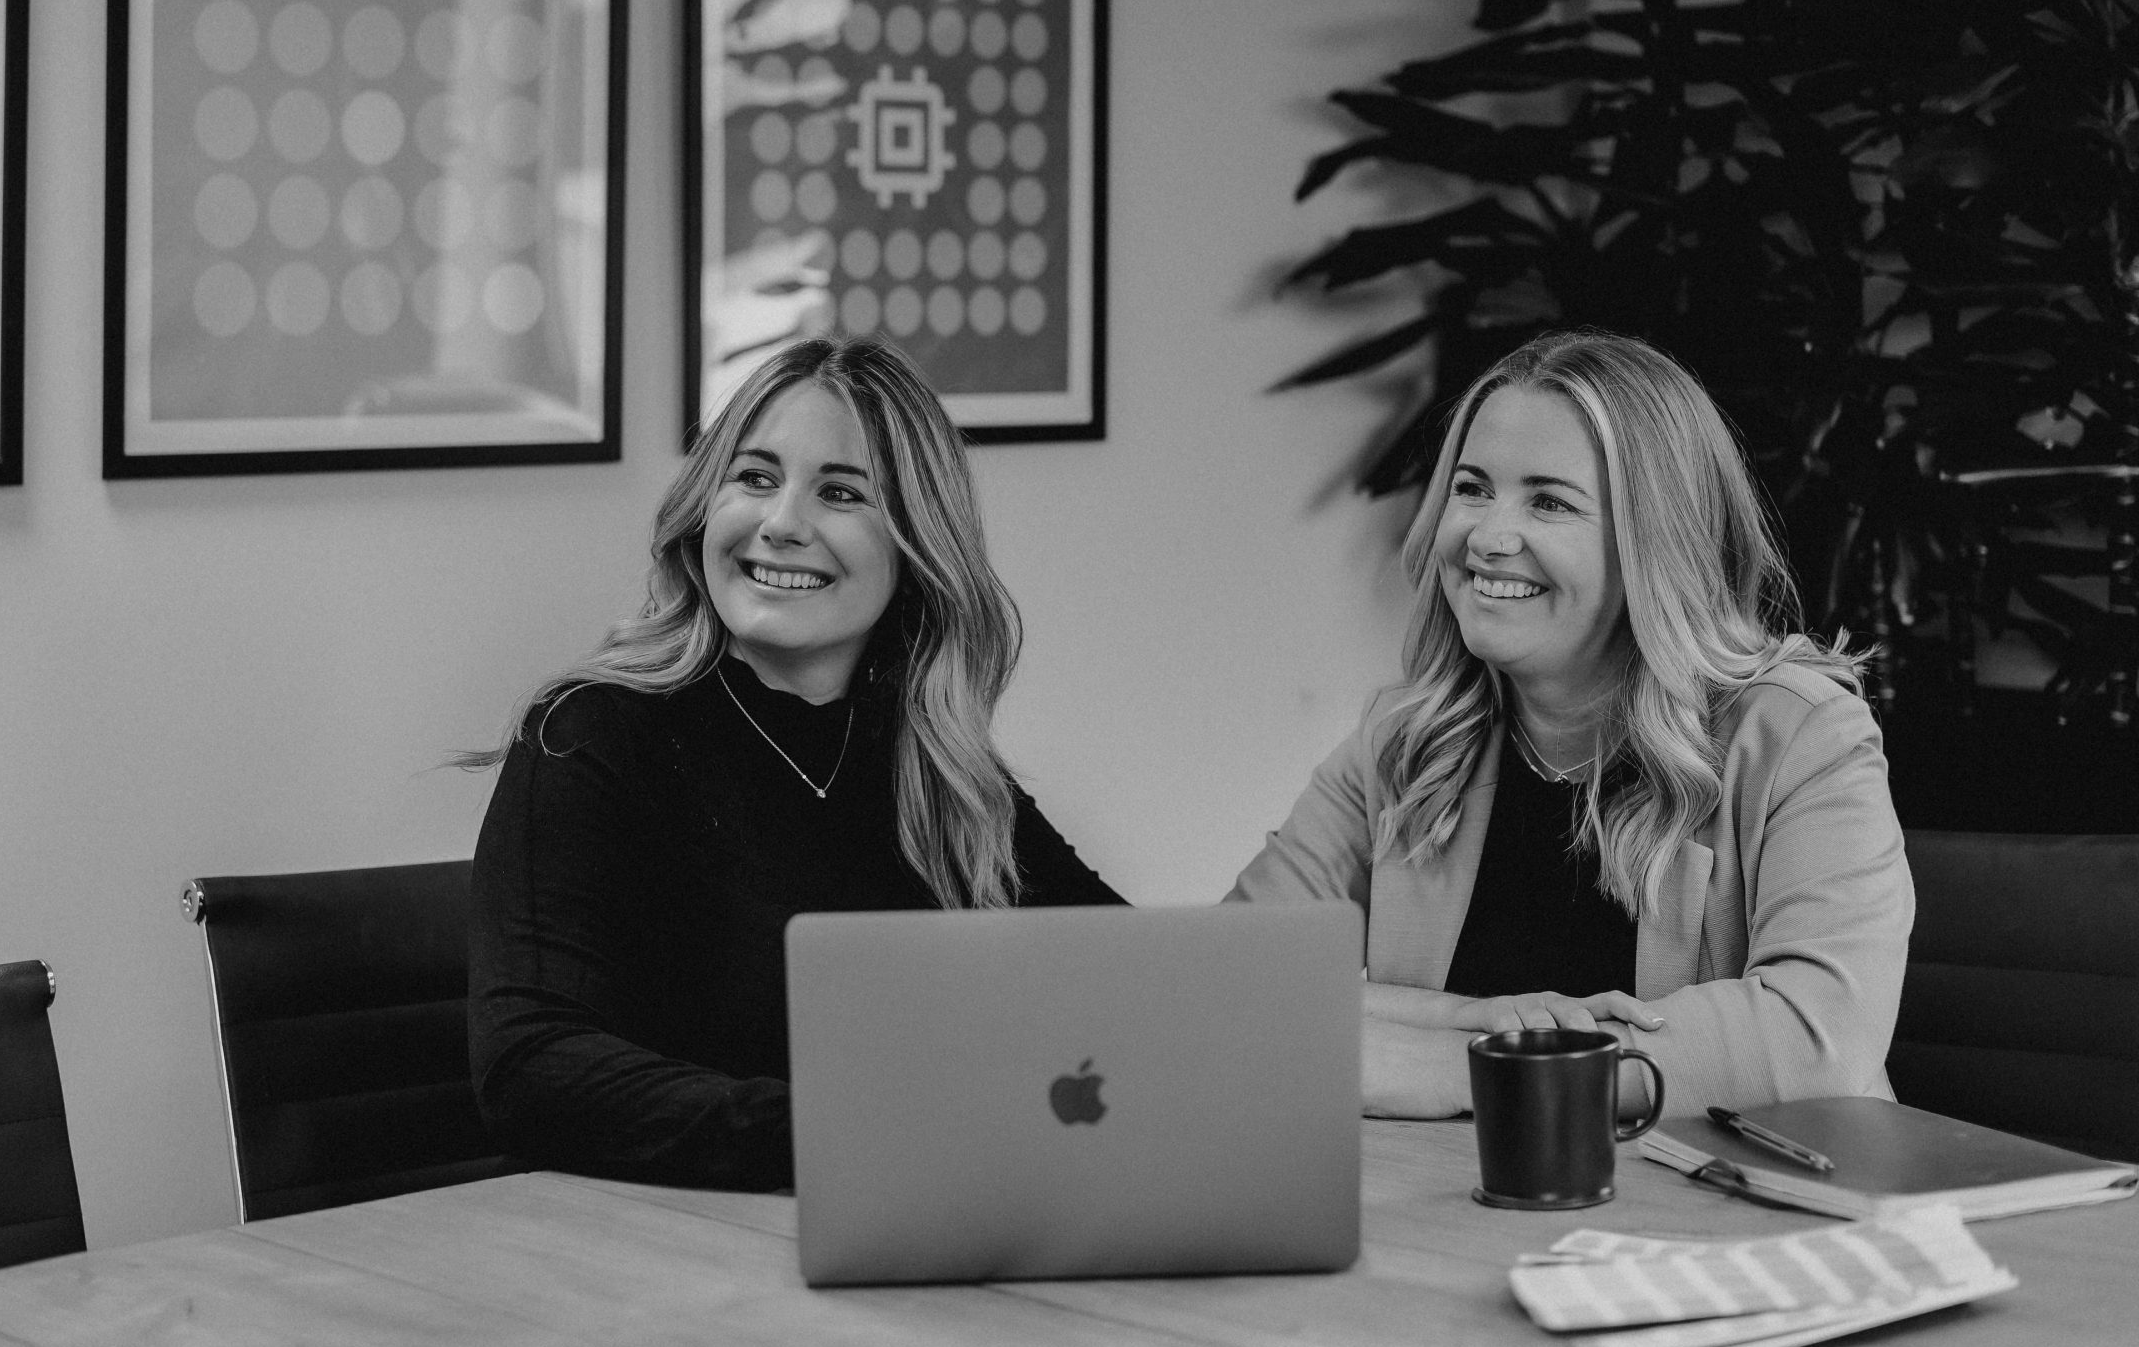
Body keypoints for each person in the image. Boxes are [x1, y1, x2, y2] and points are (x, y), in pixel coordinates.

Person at [465, 337, 1122, 1190]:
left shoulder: (934, 763)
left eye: (841, 492)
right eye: (756, 477)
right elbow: (532, 1065)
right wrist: (846, 1133)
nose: (781, 524)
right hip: (657, 1247)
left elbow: (1125, 975)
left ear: (918, 549)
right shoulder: (588, 734)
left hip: (902, 1224)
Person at [1231, 330, 1911, 1120]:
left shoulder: (1797, 735)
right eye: (1472, 487)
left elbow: (1813, 1033)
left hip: (1742, 1218)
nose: (1486, 535)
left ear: (1655, 541)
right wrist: (1464, 1025)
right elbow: (1231, 981)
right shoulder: (1407, 741)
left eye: (1549, 501)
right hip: (1465, 1214)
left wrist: (1478, 1072)